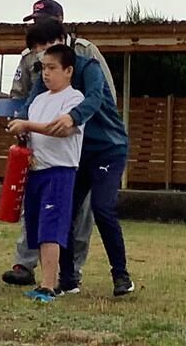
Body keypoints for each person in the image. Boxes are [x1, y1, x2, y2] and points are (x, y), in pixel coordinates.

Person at [11, 19, 134, 297]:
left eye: (45, 47)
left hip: (106, 149)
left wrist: (73, 117)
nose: (42, 57)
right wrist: (21, 124)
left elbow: (95, 99)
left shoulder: (87, 66)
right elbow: (31, 104)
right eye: (37, 51)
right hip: (72, 157)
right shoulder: (45, 76)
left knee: (102, 208)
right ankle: (67, 279)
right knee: (63, 213)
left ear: (60, 40)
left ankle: (121, 275)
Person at [8, 44, 85, 302]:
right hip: (36, 171)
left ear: (68, 70)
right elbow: (33, 133)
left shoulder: (74, 99)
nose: (46, 74)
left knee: (51, 228)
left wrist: (28, 125)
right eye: (43, 68)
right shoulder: (38, 100)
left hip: (59, 171)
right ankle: (45, 280)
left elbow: (60, 129)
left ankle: (49, 285)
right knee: (37, 227)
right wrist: (23, 135)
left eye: (52, 68)